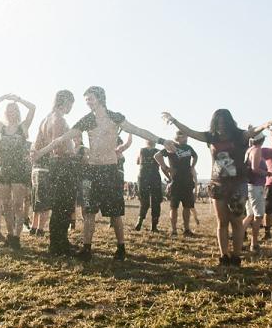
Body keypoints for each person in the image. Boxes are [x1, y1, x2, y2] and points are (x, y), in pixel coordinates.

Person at [35, 86, 175, 261]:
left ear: (100, 98)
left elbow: (138, 131)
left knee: (115, 213)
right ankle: (87, 248)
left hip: (110, 170)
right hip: (92, 170)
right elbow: (61, 139)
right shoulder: (87, 120)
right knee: (89, 212)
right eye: (86, 100)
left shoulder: (115, 117)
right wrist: (40, 152)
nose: (87, 103)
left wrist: (162, 141)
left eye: (90, 99)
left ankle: (121, 247)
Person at [162, 110, 272, 267]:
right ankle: (224, 256)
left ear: (230, 122)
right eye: (218, 122)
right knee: (222, 222)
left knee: (236, 221)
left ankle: (236, 257)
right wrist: (173, 120)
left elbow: (252, 132)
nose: (221, 125)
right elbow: (190, 132)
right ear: (214, 123)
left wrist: (265, 125)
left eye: (224, 122)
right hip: (218, 184)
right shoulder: (211, 137)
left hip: (238, 184)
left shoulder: (239, 135)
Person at [31, 90, 79, 256]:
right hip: (63, 163)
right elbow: (57, 144)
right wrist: (73, 152)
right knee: (64, 207)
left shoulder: (45, 119)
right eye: (71, 104)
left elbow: (36, 146)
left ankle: (59, 243)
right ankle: (59, 245)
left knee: (60, 206)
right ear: (65, 102)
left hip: (54, 165)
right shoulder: (58, 119)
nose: (71, 107)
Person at [0, 94, 35, 250]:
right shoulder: (1, 128)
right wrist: (2, 98)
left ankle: (17, 237)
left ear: (18, 112)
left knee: (18, 206)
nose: (12, 112)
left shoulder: (23, 127)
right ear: (6, 113)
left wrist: (19, 99)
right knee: (5, 205)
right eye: (9, 110)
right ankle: (10, 234)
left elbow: (33, 108)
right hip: (3, 170)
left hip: (19, 171)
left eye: (14, 110)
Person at [155, 130, 198, 237]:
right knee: (174, 207)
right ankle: (174, 230)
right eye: (184, 136)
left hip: (187, 181)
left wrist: (192, 166)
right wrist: (165, 167)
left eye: (187, 136)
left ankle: (186, 229)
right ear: (178, 137)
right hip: (175, 181)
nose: (187, 138)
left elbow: (195, 156)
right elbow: (157, 156)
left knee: (187, 206)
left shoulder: (189, 147)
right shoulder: (171, 146)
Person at [242, 133, 267, 251]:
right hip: (256, 186)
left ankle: (239, 238)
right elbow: (255, 169)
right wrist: (269, 173)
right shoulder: (257, 150)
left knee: (250, 215)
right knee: (258, 216)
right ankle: (254, 243)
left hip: (249, 185)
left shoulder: (249, 150)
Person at [135, 139, 163, 232]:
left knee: (144, 201)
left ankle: (139, 222)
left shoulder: (141, 150)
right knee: (156, 202)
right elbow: (161, 163)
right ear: (154, 142)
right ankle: (154, 227)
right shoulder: (157, 151)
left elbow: (138, 162)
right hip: (154, 175)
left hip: (143, 176)